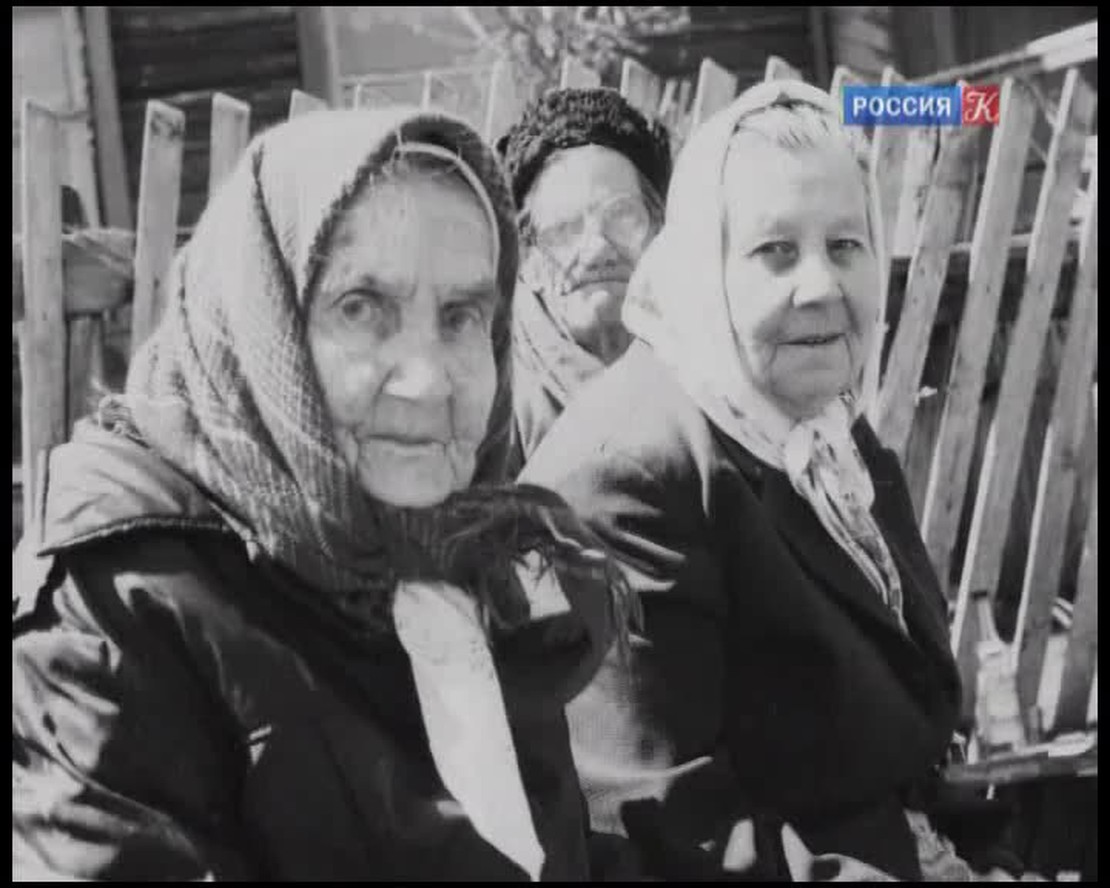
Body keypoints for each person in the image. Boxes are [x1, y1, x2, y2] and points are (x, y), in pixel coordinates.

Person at [12, 106, 634, 881]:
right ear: (262, 319)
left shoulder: (460, 544)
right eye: (361, 307)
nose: (428, 379)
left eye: (462, 315)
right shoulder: (115, 608)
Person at [520, 81, 1026, 881]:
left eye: (846, 245)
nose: (821, 286)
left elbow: (908, 739)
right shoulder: (624, 479)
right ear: (703, 267)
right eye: (776, 252)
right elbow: (667, 832)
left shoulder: (820, 429)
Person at [495, 88, 671, 474]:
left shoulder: (708, 372)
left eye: (622, 216)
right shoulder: (497, 416)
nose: (596, 249)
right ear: (527, 260)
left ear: (660, 230)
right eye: (564, 227)